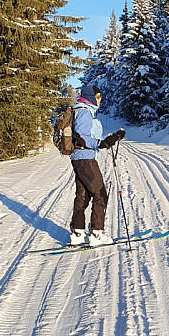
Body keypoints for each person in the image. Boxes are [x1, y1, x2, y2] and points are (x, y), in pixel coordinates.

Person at [69, 84, 125, 247]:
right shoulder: (84, 112)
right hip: (85, 158)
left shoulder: (82, 111)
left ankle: (78, 233)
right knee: (100, 194)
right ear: (91, 97)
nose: (100, 99)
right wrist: (103, 143)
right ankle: (96, 233)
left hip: (79, 158)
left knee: (83, 195)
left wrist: (111, 138)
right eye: (98, 96)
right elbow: (82, 137)